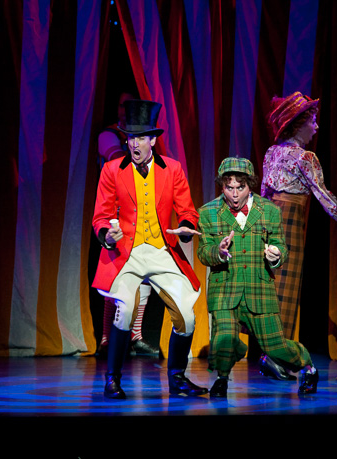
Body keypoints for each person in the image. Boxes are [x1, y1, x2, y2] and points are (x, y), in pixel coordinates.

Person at [93, 99, 206, 399]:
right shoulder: (112, 170)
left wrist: (185, 226)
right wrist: (107, 235)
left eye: (141, 137)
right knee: (125, 311)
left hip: (160, 250)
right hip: (126, 252)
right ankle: (113, 379)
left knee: (186, 315)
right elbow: (101, 216)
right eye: (130, 137)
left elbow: (187, 210)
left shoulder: (172, 169)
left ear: (153, 140)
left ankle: (177, 378)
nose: (134, 144)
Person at [197, 157, 319, 397]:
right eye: (228, 188)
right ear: (222, 186)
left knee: (276, 347)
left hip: (259, 289)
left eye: (240, 187)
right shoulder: (208, 212)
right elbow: (203, 252)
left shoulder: (269, 211)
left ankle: (308, 367)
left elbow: (281, 247)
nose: (234, 195)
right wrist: (218, 252)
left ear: (250, 185)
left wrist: (275, 255)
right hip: (225, 289)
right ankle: (222, 379)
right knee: (223, 338)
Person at [262, 92, 337, 341]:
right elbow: (324, 196)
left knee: (272, 284)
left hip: (269, 221)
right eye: (312, 122)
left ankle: (270, 348)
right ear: (298, 125)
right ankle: (279, 350)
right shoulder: (305, 157)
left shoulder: (271, 152)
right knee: (285, 286)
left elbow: (264, 194)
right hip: (288, 223)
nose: (316, 127)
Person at [96, 92, 157, 357]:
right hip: (115, 217)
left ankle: (136, 336)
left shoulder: (143, 142)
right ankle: (106, 338)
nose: (126, 110)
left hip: (140, 216)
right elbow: (119, 162)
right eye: (122, 105)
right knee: (114, 278)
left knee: (145, 275)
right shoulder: (108, 135)